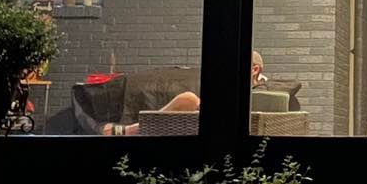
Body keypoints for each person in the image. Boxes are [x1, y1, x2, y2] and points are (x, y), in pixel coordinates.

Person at [102, 52, 265, 135]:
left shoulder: (260, 91)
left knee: (189, 99)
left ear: (254, 69)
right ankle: (133, 130)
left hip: (220, 127)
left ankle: (129, 131)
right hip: (205, 124)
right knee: (188, 102)